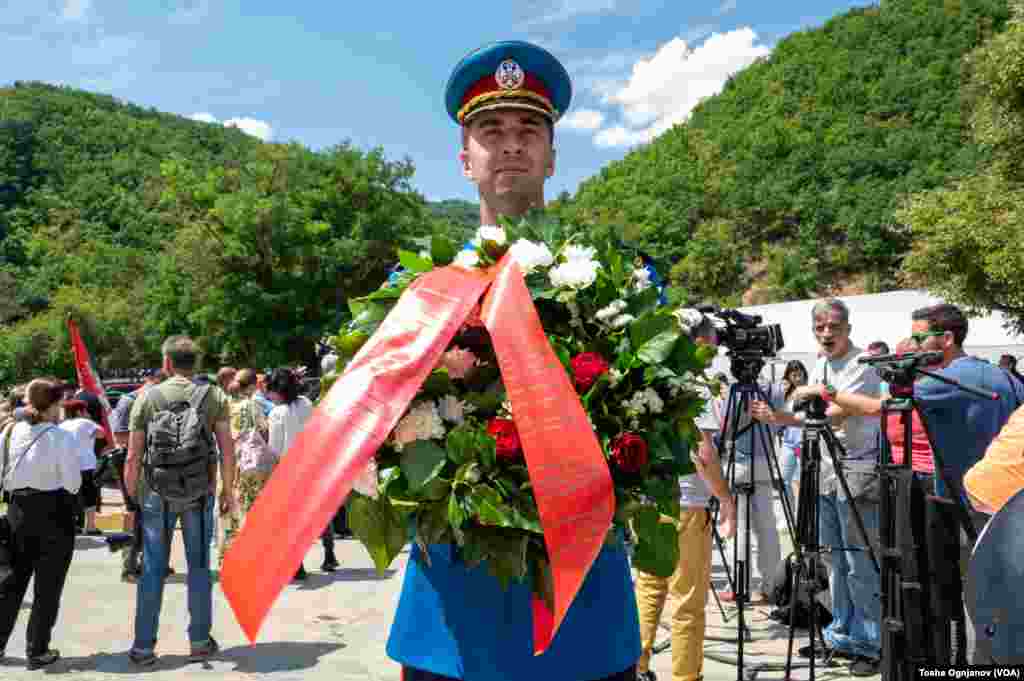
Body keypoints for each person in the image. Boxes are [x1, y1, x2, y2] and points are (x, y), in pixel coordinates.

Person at [384, 41, 641, 681]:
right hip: (454, 610)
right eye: (490, 130)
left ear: (552, 156)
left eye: (530, 129)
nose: (511, 143)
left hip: (584, 605)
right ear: (465, 159)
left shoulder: (621, 285)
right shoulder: (416, 290)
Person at [752, 298, 883, 676]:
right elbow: (812, 415)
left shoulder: (860, 364)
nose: (827, 333)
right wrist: (777, 416)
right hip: (825, 471)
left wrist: (810, 393)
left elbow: (836, 411)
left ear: (848, 328)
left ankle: (870, 643)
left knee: (860, 561)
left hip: (856, 472)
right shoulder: (822, 364)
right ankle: (842, 634)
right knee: (835, 561)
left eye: (834, 326)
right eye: (820, 327)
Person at [634, 313, 736, 681]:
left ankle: (637, 667)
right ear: (703, 345)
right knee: (687, 602)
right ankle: (685, 676)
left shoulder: (652, 375)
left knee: (648, 589)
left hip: (650, 502)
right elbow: (703, 452)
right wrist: (725, 498)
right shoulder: (696, 383)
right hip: (688, 504)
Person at [123, 336, 236, 666]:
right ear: (195, 364)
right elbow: (227, 450)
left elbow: (133, 456)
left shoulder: (147, 398)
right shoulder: (214, 395)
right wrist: (227, 491)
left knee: (153, 569)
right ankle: (199, 641)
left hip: (156, 493)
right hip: (199, 493)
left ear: (167, 363)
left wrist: (132, 498)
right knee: (199, 566)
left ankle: (144, 646)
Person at [0, 378, 82, 669]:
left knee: (11, 583)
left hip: (17, 511)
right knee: (47, 588)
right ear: (54, 404)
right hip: (53, 514)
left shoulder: (9, 431)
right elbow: (73, 484)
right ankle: (37, 650)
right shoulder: (61, 438)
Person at [265, 368, 339, 576]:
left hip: (290, 470)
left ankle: (298, 566)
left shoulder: (276, 413)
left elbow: (275, 448)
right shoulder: (306, 404)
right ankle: (329, 555)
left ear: (277, 391)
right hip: (314, 465)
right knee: (321, 512)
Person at [109, 371, 167, 581]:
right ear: (151, 383)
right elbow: (120, 436)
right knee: (134, 515)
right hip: (134, 463)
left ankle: (151, 562)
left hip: (157, 464)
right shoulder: (128, 401)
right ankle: (128, 566)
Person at [59, 398, 106, 535]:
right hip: (86, 465)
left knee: (70, 496)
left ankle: (72, 525)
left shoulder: (62, 425)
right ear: (80, 411)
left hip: (67, 465)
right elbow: (101, 433)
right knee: (89, 495)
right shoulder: (86, 422)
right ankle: (90, 526)